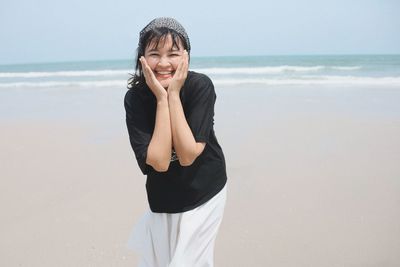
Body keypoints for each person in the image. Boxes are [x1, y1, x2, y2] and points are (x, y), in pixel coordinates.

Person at [124, 17, 228, 267]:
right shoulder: (135, 99)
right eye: (154, 53)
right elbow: (159, 162)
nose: (163, 63)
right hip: (162, 200)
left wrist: (173, 95)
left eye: (173, 54)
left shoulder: (200, 86)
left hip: (205, 191)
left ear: (186, 57)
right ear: (142, 58)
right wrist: (161, 99)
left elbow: (187, 154)